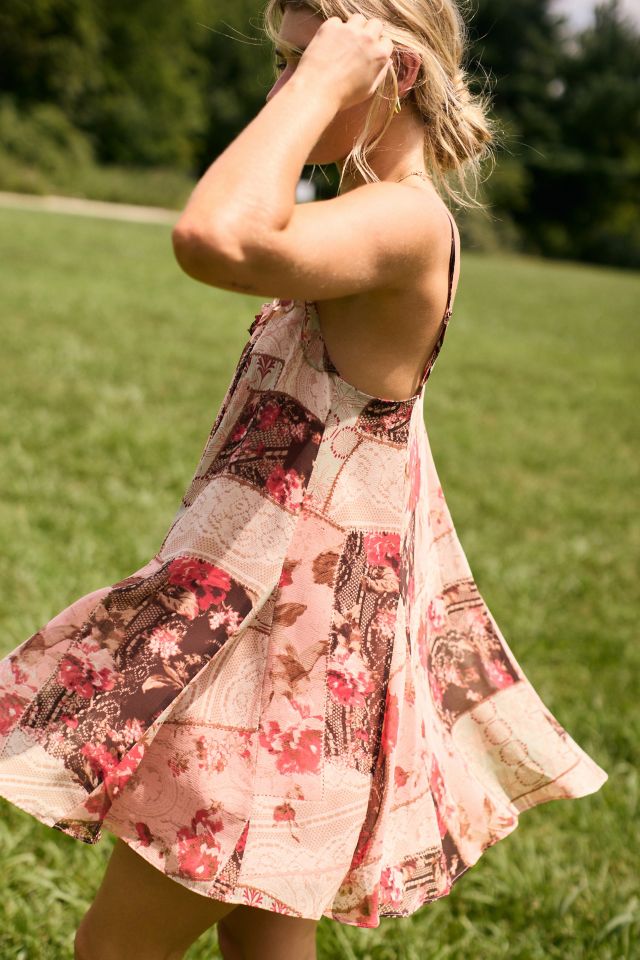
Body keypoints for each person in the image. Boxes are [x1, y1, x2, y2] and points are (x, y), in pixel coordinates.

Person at [0, 3, 608, 960]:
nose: (283, 87)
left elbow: (214, 236)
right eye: (285, 63)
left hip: (282, 661)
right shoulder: (367, 217)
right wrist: (325, 78)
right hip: (291, 651)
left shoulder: (406, 220)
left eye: (302, 62)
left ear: (394, 75)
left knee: (110, 952)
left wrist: (329, 79)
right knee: (264, 950)